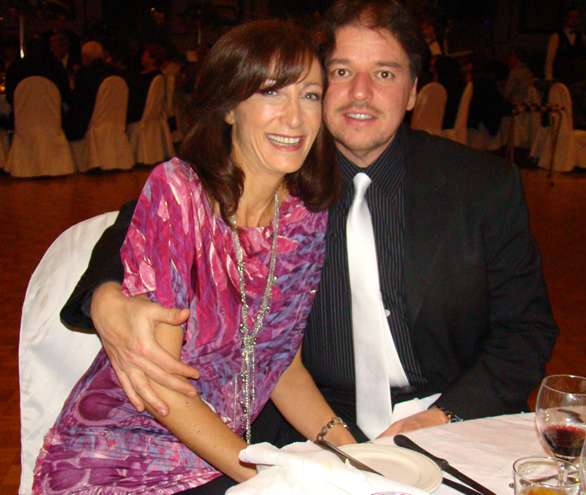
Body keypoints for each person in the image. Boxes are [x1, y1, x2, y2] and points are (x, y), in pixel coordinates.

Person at [61, 0, 558, 445]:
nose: (360, 93)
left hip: (450, 414)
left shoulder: (481, 186)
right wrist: (105, 295)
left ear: (412, 92)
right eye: (341, 71)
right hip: (311, 425)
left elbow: (526, 330)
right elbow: (152, 214)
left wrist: (445, 417)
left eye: (385, 74)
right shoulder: (281, 173)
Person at [34, 19, 353, 494]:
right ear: (230, 108)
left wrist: (354, 455)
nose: (295, 118)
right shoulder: (180, 195)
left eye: (309, 95)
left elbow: (282, 367)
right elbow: (163, 389)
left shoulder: (305, 216)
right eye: (270, 92)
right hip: (119, 455)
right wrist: (265, 479)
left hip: (218, 454)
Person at [64, 41, 122, 141]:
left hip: (92, 123)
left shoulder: (85, 75)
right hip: (115, 122)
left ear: (85, 57)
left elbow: (80, 104)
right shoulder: (117, 72)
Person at [544, 7, 586, 83]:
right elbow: (549, 59)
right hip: (560, 76)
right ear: (566, 18)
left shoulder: (582, 37)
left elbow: (584, 58)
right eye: (571, 17)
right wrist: (549, 77)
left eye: (576, 17)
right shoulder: (556, 36)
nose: (574, 20)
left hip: (577, 77)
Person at [126, 43, 164, 125]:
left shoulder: (155, 77)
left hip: (140, 119)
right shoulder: (138, 74)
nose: (142, 58)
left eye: (144, 55)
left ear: (152, 59)